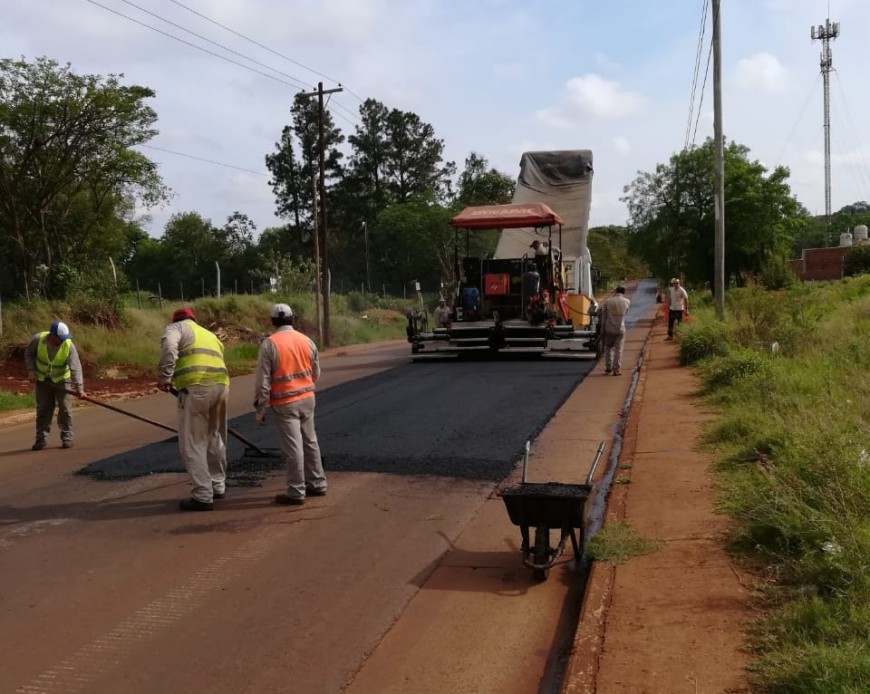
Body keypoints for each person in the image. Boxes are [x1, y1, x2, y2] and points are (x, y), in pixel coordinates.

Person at [254, 303, 327, 506]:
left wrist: (260, 409)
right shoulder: (306, 341)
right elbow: (316, 372)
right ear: (292, 319)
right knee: (310, 441)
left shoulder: (270, 344)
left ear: (273, 321)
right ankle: (318, 483)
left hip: (285, 403)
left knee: (293, 448)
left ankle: (296, 491)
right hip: (307, 399)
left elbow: (263, 381)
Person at [157, 307, 230, 512]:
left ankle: (202, 495)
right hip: (222, 386)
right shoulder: (207, 333)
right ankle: (218, 485)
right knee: (214, 436)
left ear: (176, 320)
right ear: (194, 319)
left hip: (197, 388)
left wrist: (165, 377)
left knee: (194, 442)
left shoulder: (175, 328)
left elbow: (169, 346)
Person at [24, 321, 85, 450]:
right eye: (60, 339)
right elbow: (29, 354)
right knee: (43, 410)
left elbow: (76, 367)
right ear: (52, 336)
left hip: (62, 380)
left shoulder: (69, 346)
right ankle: (41, 440)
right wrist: (31, 371)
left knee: (65, 409)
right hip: (42, 381)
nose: (63, 341)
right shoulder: (38, 340)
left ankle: (67, 438)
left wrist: (80, 388)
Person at [600, 286, 631, 376]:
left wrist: (602, 330)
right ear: (623, 292)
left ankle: (608, 367)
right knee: (619, 349)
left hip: (609, 328)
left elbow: (604, 317)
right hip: (620, 328)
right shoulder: (627, 302)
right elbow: (625, 313)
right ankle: (616, 369)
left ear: (615, 291)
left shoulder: (608, 301)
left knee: (608, 347)